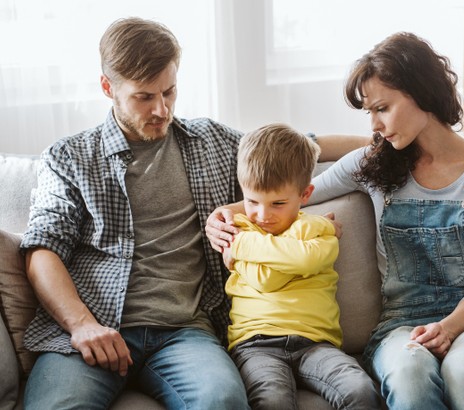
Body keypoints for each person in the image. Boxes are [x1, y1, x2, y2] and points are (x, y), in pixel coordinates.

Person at [20, 17, 369, 410]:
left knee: (222, 401)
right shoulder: (69, 158)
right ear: (108, 88)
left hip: (185, 332)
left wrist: (382, 141)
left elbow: (297, 149)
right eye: (144, 97)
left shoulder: (210, 142)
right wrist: (82, 325)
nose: (161, 109)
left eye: (169, 92)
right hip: (98, 327)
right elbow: (41, 250)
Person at [206, 32, 464, 410]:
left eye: (382, 108)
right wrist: (224, 214)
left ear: (421, 93)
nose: (374, 125)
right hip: (401, 322)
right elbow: (292, 192)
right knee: (408, 378)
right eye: (369, 114)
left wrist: (449, 328)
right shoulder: (374, 163)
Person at [224, 123, 380, 409]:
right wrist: (287, 252)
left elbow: (305, 259)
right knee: (272, 400)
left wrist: (240, 248)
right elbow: (265, 280)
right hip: (255, 344)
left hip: (316, 343)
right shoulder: (240, 226)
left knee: (360, 390)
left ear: (305, 195)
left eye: (278, 203)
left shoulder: (321, 228)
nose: (263, 215)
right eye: (252, 201)